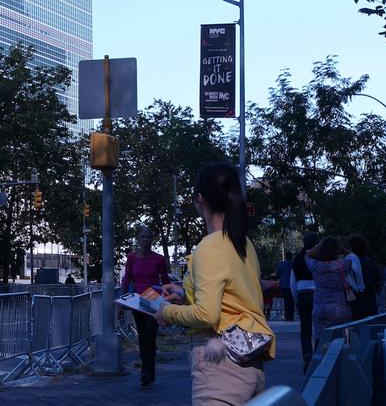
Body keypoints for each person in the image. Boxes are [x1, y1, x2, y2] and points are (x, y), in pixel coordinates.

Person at [155, 164, 274, 404]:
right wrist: (185, 294)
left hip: (221, 366)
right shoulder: (244, 244)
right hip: (252, 360)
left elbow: (207, 315)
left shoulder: (209, 246)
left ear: (199, 199)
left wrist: (167, 311)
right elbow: (235, 298)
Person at [121, 225, 171, 387]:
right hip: (137, 301)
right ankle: (146, 371)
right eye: (142, 237)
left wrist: (169, 300)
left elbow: (165, 280)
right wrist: (121, 302)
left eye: (148, 237)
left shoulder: (158, 259)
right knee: (142, 336)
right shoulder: (132, 258)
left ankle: (149, 370)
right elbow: (127, 278)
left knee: (150, 335)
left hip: (154, 300)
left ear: (152, 239)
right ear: (138, 239)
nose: (145, 240)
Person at [304, 235, 352, 348]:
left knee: (320, 341)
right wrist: (341, 248)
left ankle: (318, 361)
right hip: (340, 309)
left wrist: (319, 246)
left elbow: (307, 255)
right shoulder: (343, 265)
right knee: (342, 343)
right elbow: (351, 255)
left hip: (320, 309)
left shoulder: (315, 266)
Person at [291, 232, 318, 372]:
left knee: (305, 329)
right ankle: (320, 356)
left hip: (302, 293)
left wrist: (296, 300)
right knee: (320, 327)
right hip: (318, 293)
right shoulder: (320, 257)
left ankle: (307, 354)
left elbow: (293, 282)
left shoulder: (297, 259)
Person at [347, 234, 381, 320]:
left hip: (355, 303)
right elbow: (379, 283)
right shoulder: (372, 263)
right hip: (371, 302)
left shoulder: (348, 264)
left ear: (351, 248)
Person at [276, 251, 295, 322]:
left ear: (286, 256)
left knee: (286, 300)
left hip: (283, 285)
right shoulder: (293, 264)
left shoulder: (281, 264)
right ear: (291, 257)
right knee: (292, 301)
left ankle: (287, 315)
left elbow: (278, 274)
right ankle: (291, 315)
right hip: (292, 285)